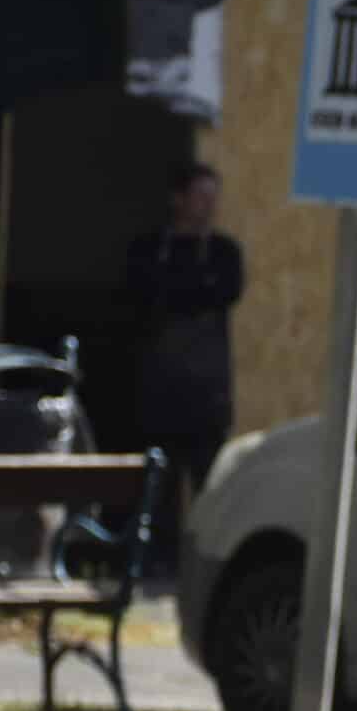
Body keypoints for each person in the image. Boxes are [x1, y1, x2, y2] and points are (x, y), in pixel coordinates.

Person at [127, 160, 245, 569]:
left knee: (209, 488)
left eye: (214, 197)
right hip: (161, 392)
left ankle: (203, 566)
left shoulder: (225, 253)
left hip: (207, 397)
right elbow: (144, 294)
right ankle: (152, 565)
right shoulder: (148, 250)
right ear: (177, 199)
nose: (209, 206)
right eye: (200, 197)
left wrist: (182, 291)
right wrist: (192, 289)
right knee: (158, 488)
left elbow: (224, 291)